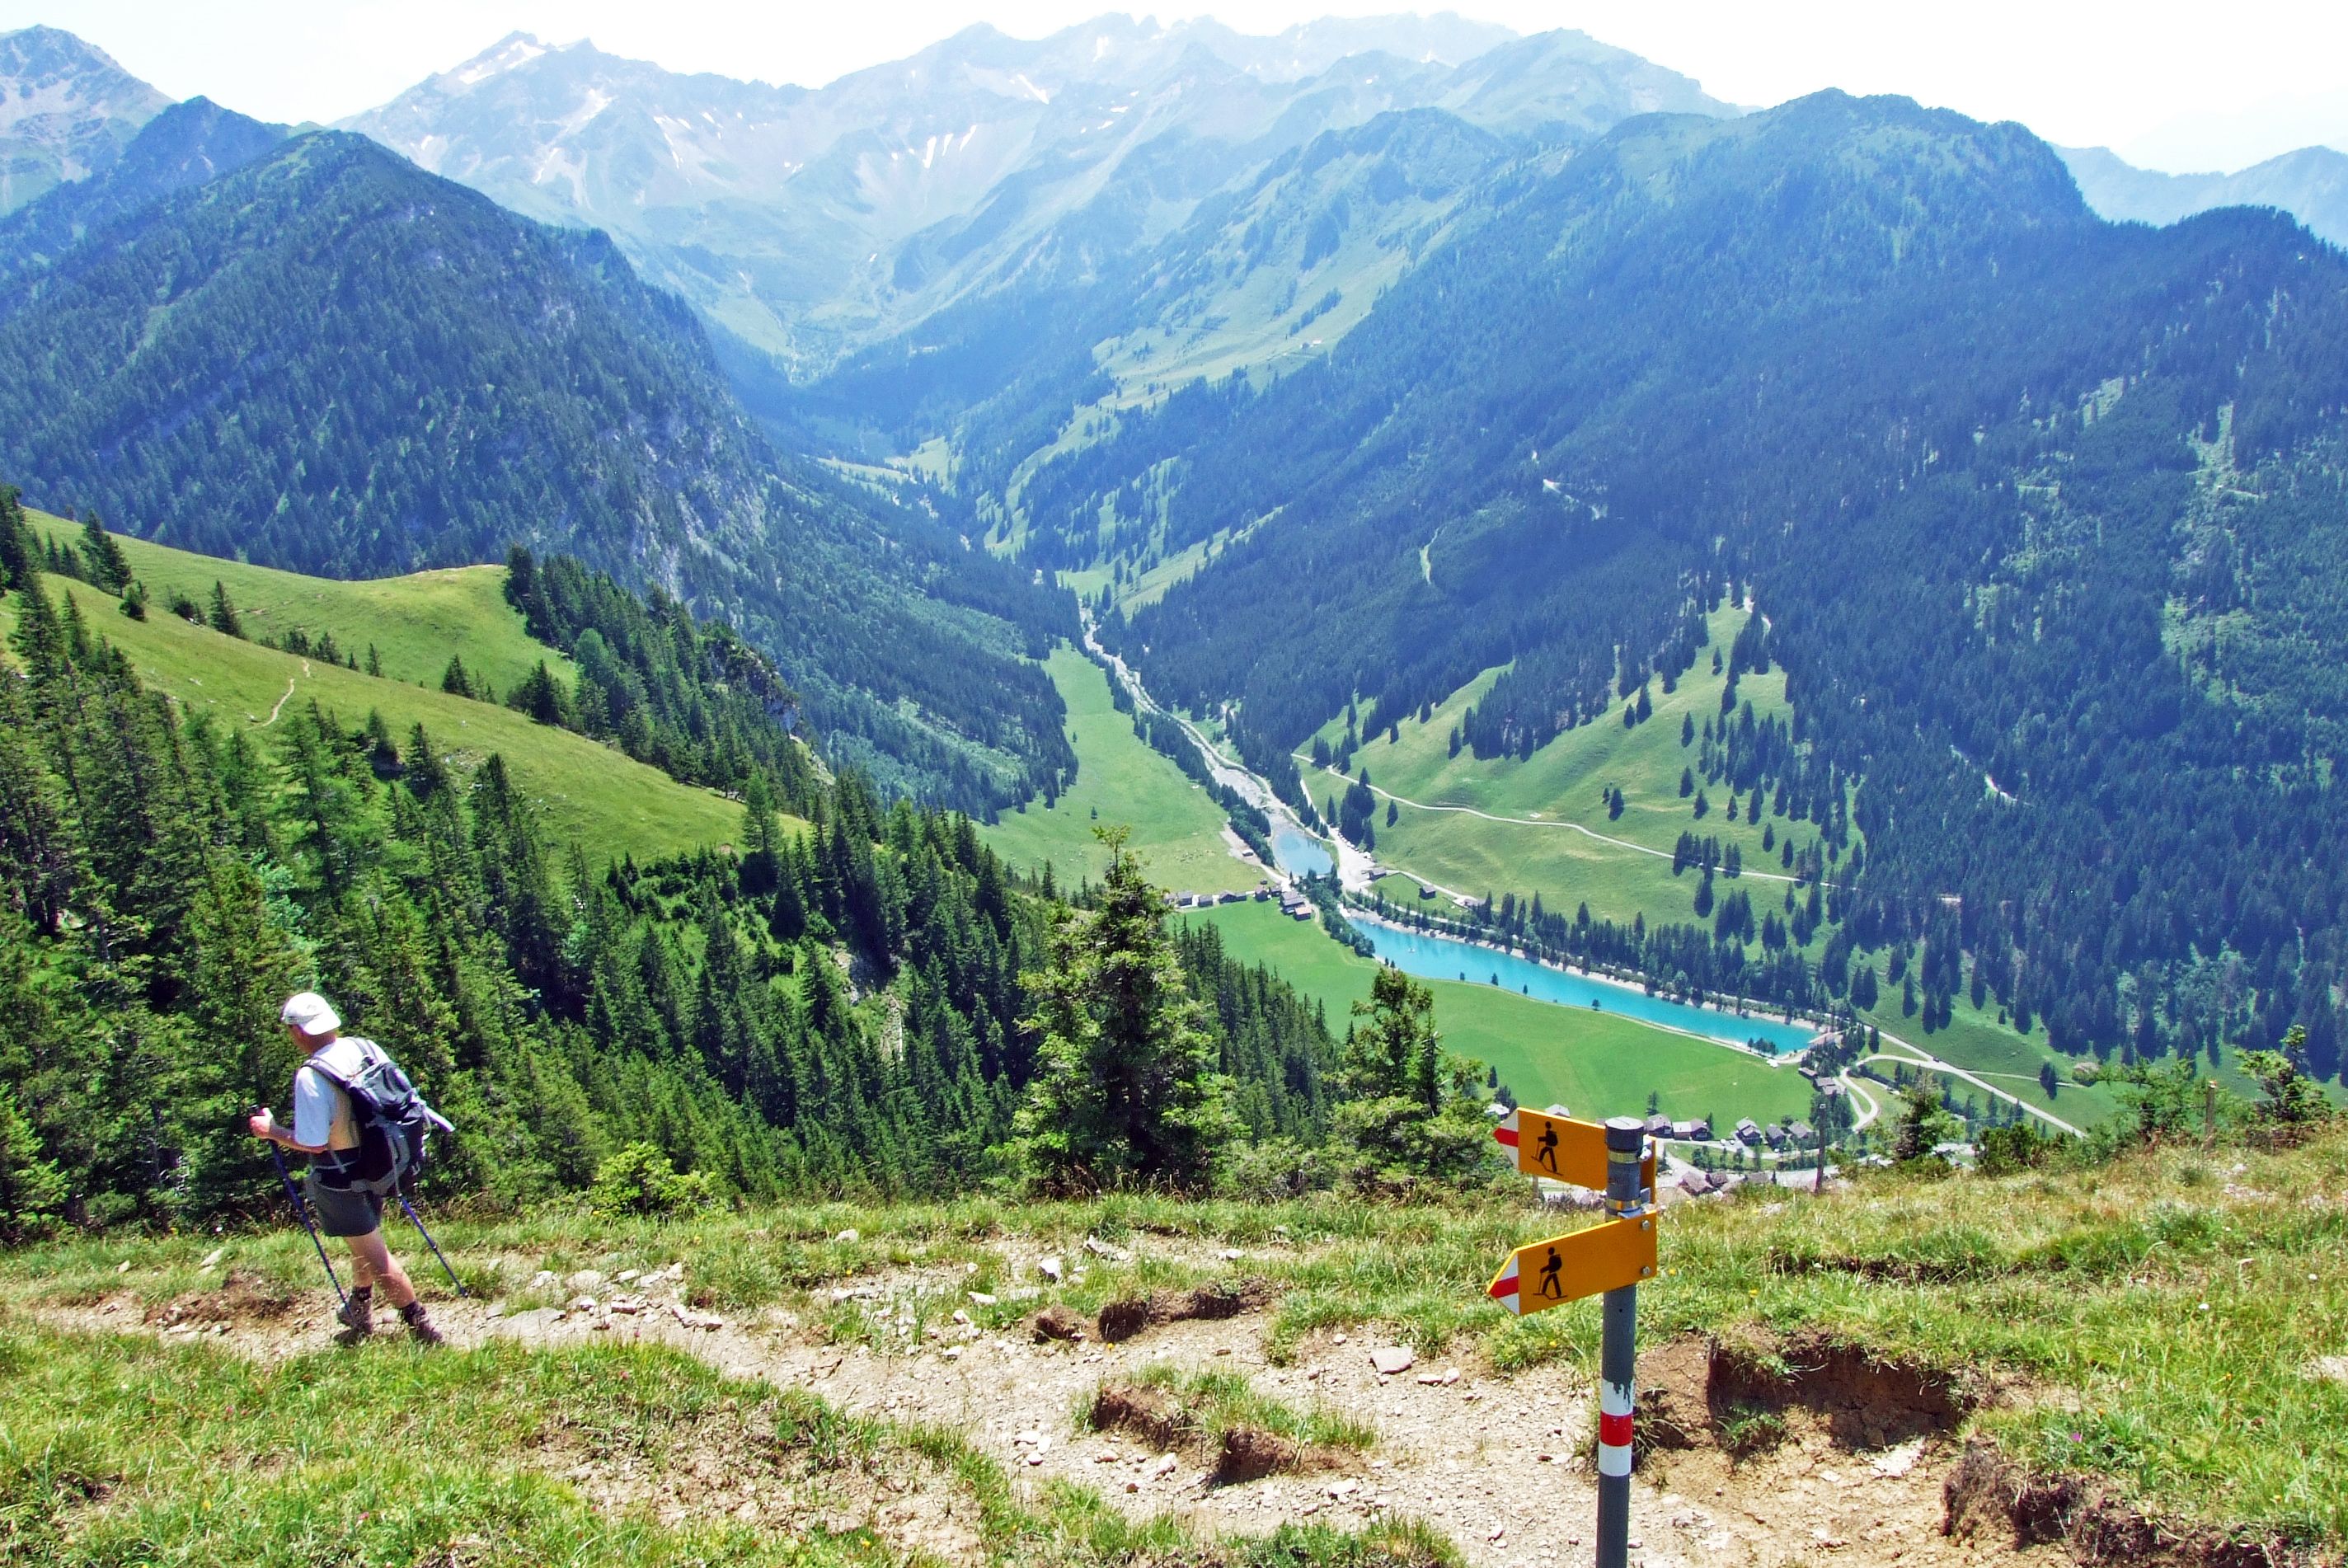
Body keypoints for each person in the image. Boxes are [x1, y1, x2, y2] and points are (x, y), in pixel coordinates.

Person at [247, 992, 444, 1345]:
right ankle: (360, 1307)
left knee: (374, 1253)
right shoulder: (365, 1048)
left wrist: (272, 1131)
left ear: (298, 1032)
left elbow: (313, 1142)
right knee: (362, 1241)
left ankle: (422, 1329)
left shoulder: (311, 1076)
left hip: (339, 1174)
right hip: (380, 1162)